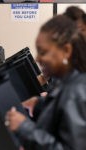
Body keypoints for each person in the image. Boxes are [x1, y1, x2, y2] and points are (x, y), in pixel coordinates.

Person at [6, 15, 86, 150]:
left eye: (43, 52)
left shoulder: (76, 93)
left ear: (66, 50)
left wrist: (24, 128)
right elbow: (62, 114)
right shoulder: (66, 82)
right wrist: (40, 104)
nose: (37, 58)